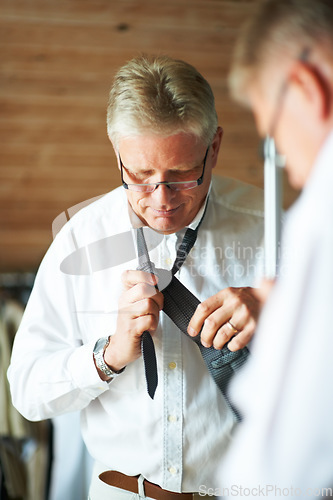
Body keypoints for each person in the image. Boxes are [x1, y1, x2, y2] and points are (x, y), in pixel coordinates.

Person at [8, 55, 264, 500]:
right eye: (141, 175)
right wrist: (106, 356)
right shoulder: (78, 241)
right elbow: (27, 391)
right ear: (117, 151)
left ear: (214, 147)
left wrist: (282, 313)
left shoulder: (274, 230)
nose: (161, 199)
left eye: (182, 174)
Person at [217, 0, 333, 498]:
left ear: (308, 88)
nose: (292, 172)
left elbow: (280, 465)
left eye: (278, 139)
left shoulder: (322, 213)